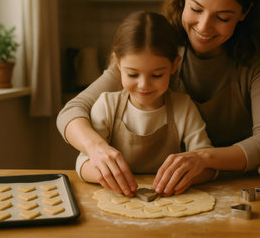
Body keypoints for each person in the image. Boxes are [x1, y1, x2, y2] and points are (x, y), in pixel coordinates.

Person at [57, 0, 260, 197]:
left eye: (222, 17)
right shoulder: (160, 40)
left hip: (241, 187)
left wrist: (203, 158)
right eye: (196, 9)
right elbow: (72, 112)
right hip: (176, 189)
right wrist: (96, 148)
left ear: (245, 12)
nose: (204, 27)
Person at [73, 11, 215, 196]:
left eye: (157, 75)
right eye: (132, 74)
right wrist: (112, 176)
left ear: (174, 65)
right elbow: (82, 164)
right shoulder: (107, 105)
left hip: (168, 201)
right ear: (117, 63)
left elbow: (208, 166)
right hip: (120, 196)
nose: (144, 85)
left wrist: (182, 177)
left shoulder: (184, 108)